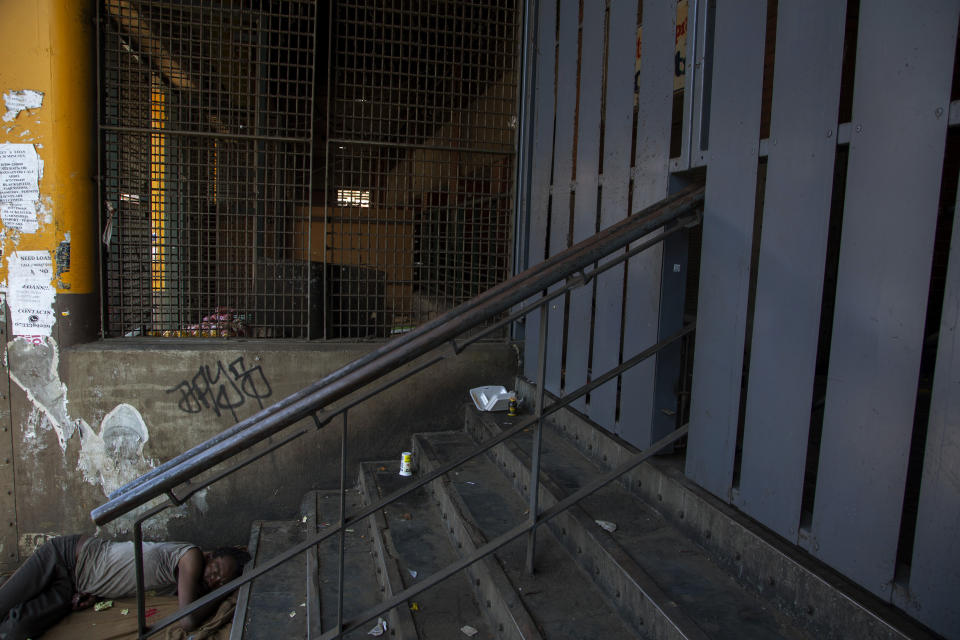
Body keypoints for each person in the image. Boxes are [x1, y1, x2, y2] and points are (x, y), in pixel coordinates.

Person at [0, 534, 249, 640]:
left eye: (220, 582)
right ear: (208, 556)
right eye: (215, 571)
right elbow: (188, 621)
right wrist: (227, 589)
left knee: (16, 628)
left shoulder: (181, 584)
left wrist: (97, 594)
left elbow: (127, 573)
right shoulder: (190, 557)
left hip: (76, 586)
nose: (213, 580)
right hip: (65, 556)